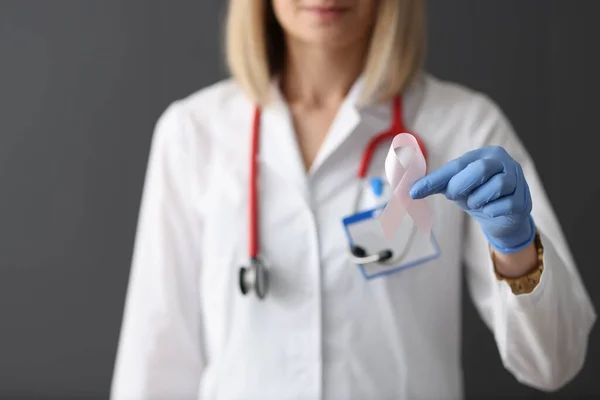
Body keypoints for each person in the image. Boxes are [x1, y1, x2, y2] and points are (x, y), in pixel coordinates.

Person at [110, 0, 596, 399]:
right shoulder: (193, 133)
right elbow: (154, 363)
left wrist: (517, 251)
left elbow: (555, 362)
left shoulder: (463, 127)